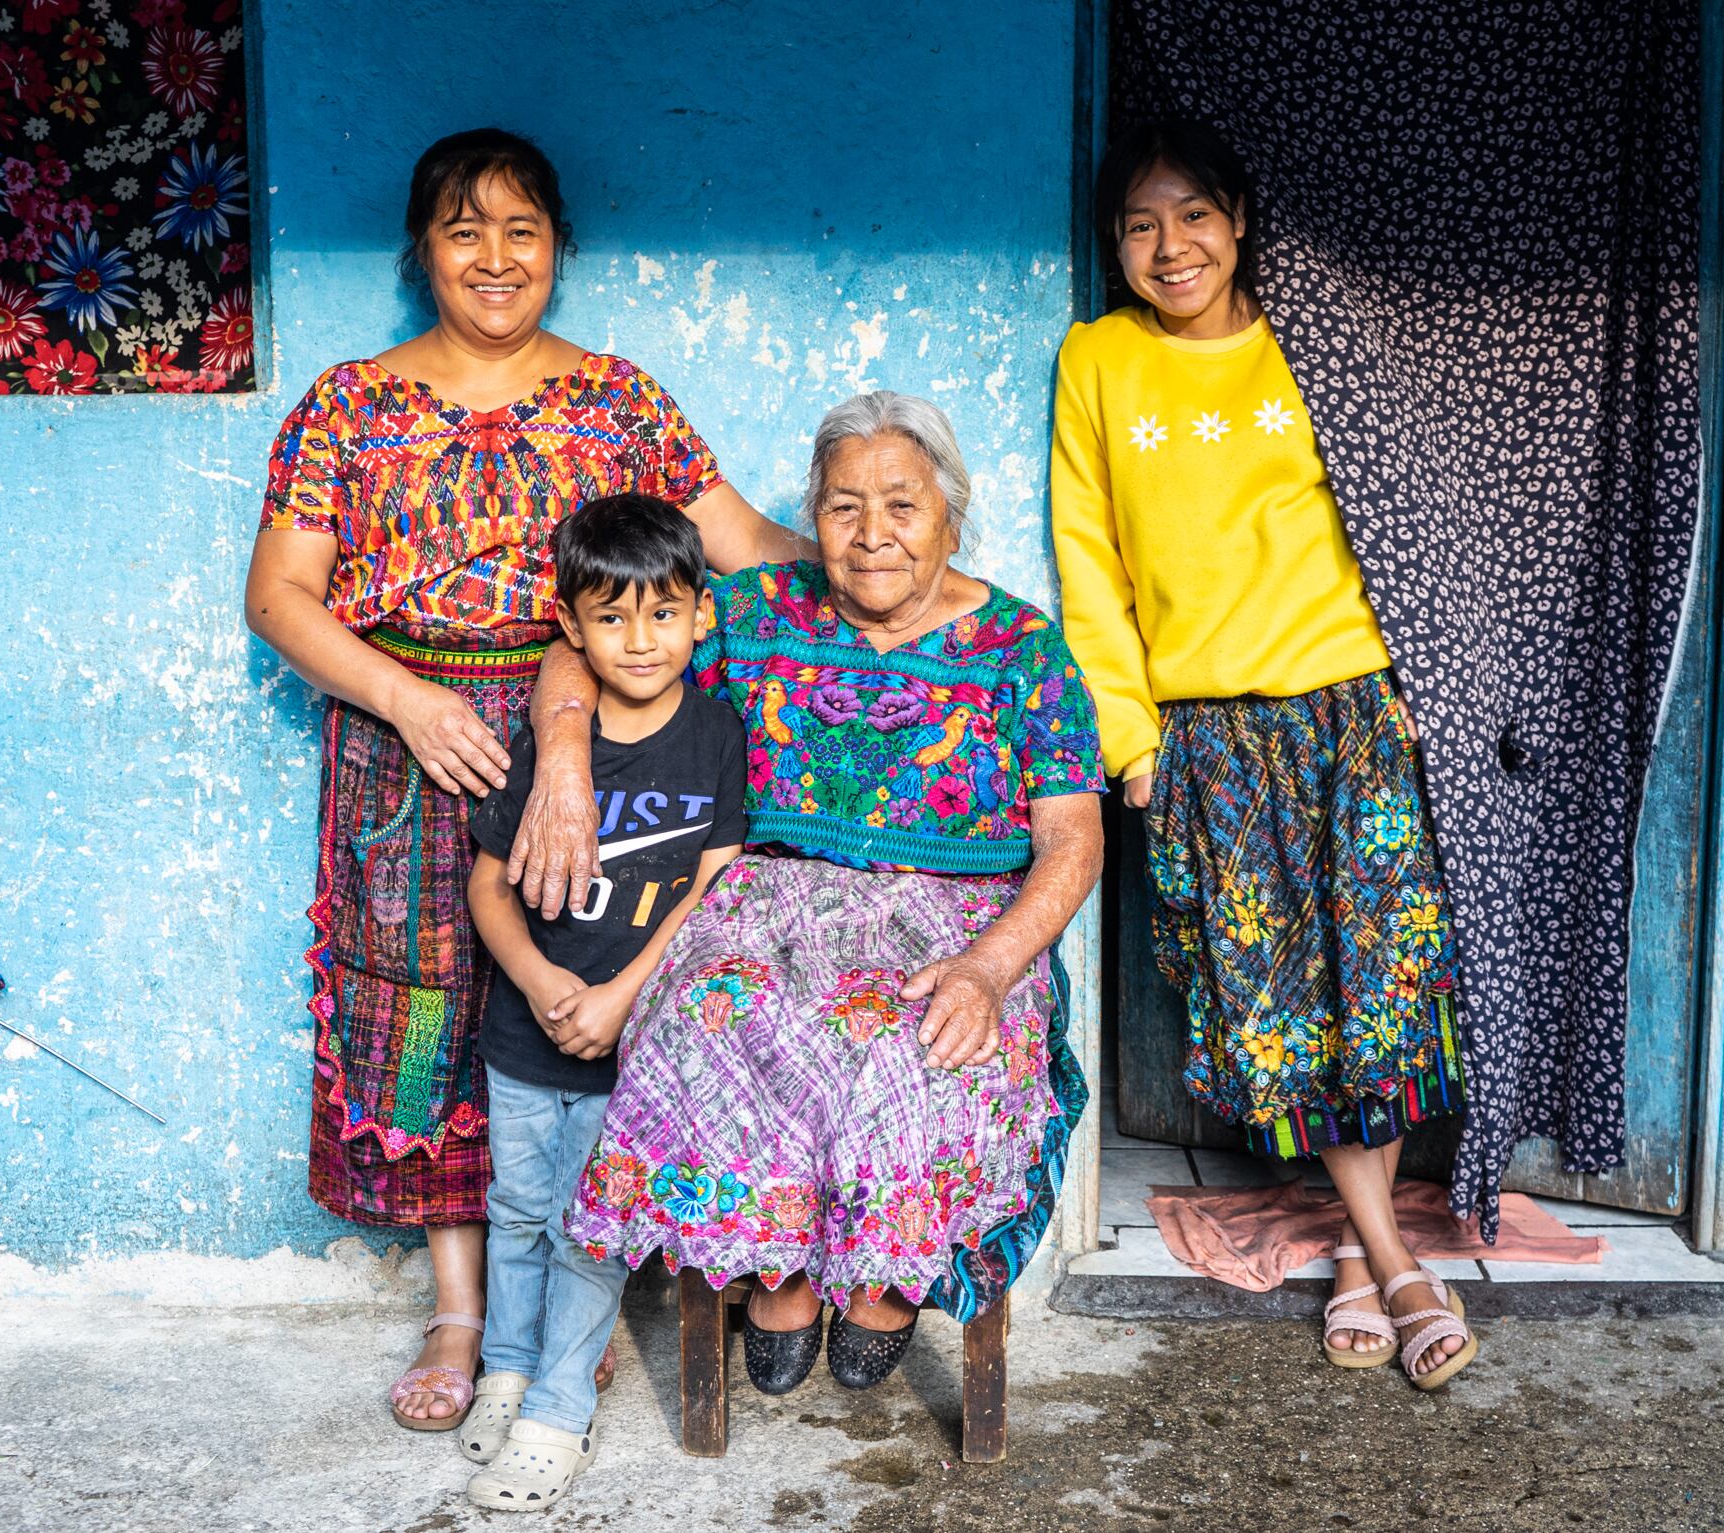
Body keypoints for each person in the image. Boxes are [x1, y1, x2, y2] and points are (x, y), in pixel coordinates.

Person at [243, 126, 800, 1430]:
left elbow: (744, 549)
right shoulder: (346, 404)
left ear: (558, 246)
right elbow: (278, 594)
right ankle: (460, 1312)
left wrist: (889, 560)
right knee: (439, 1010)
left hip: (605, 743)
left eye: (522, 230)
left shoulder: (622, 400)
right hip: (412, 751)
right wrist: (408, 696)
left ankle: (568, 1295)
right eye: (462, 228)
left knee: (586, 1007)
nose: (495, 258)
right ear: (419, 249)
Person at [540, 391, 1104, 1394]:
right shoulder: (752, 610)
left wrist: (987, 969)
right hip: (767, 900)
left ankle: (885, 1283)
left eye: (901, 506)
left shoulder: (1022, 650)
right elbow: (586, 648)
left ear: (949, 515)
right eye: (843, 507)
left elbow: (1072, 839)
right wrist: (562, 761)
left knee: (922, 1044)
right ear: (814, 514)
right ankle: (779, 1261)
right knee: (715, 1011)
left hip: (959, 919)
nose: (870, 534)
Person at [1049, 120, 1477, 1388]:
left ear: (1238, 219)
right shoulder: (1099, 362)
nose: (1167, 246)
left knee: (1380, 995)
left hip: (1349, 712)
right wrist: (1127, 737)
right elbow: (1090, 562)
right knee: (1269, 1004)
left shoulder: (1316, 350)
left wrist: (1424, 689)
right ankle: (1381, 1252)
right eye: (1138, 224)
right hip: (1204, 734)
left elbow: (1408, 511)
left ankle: (1375, 1261)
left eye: (1190, 215)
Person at [454, 494, 744, 1508]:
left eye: (662, 613)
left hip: (636, 1043)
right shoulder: (544, 744)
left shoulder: (715, 737)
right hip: (523, 1038)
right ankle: (504, 1371)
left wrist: (623, 994)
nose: (639, 639)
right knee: (518, 1212)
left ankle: (558, 1412)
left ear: (699, 616)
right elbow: (489, 887)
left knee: (589, 1227)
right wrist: (539, 982)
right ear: (569, 626)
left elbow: (713, 889)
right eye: (611, 618)